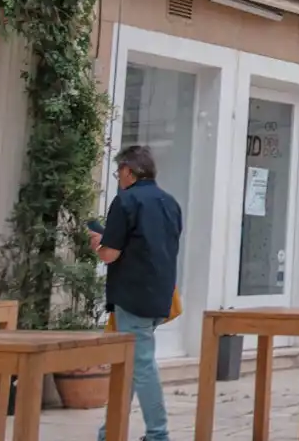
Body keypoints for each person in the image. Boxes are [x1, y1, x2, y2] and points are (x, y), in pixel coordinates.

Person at [89, 145, 182, 441]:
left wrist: (98, 243)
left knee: (141, 364)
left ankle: (158, 434)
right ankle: (110, 432)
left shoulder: (126, 200)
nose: (118, 178)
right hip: (161, 294)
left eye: (119, 172)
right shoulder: (170, 203)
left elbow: (110, 254)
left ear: (129, 171)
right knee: (128, 364)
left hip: (132, 295)